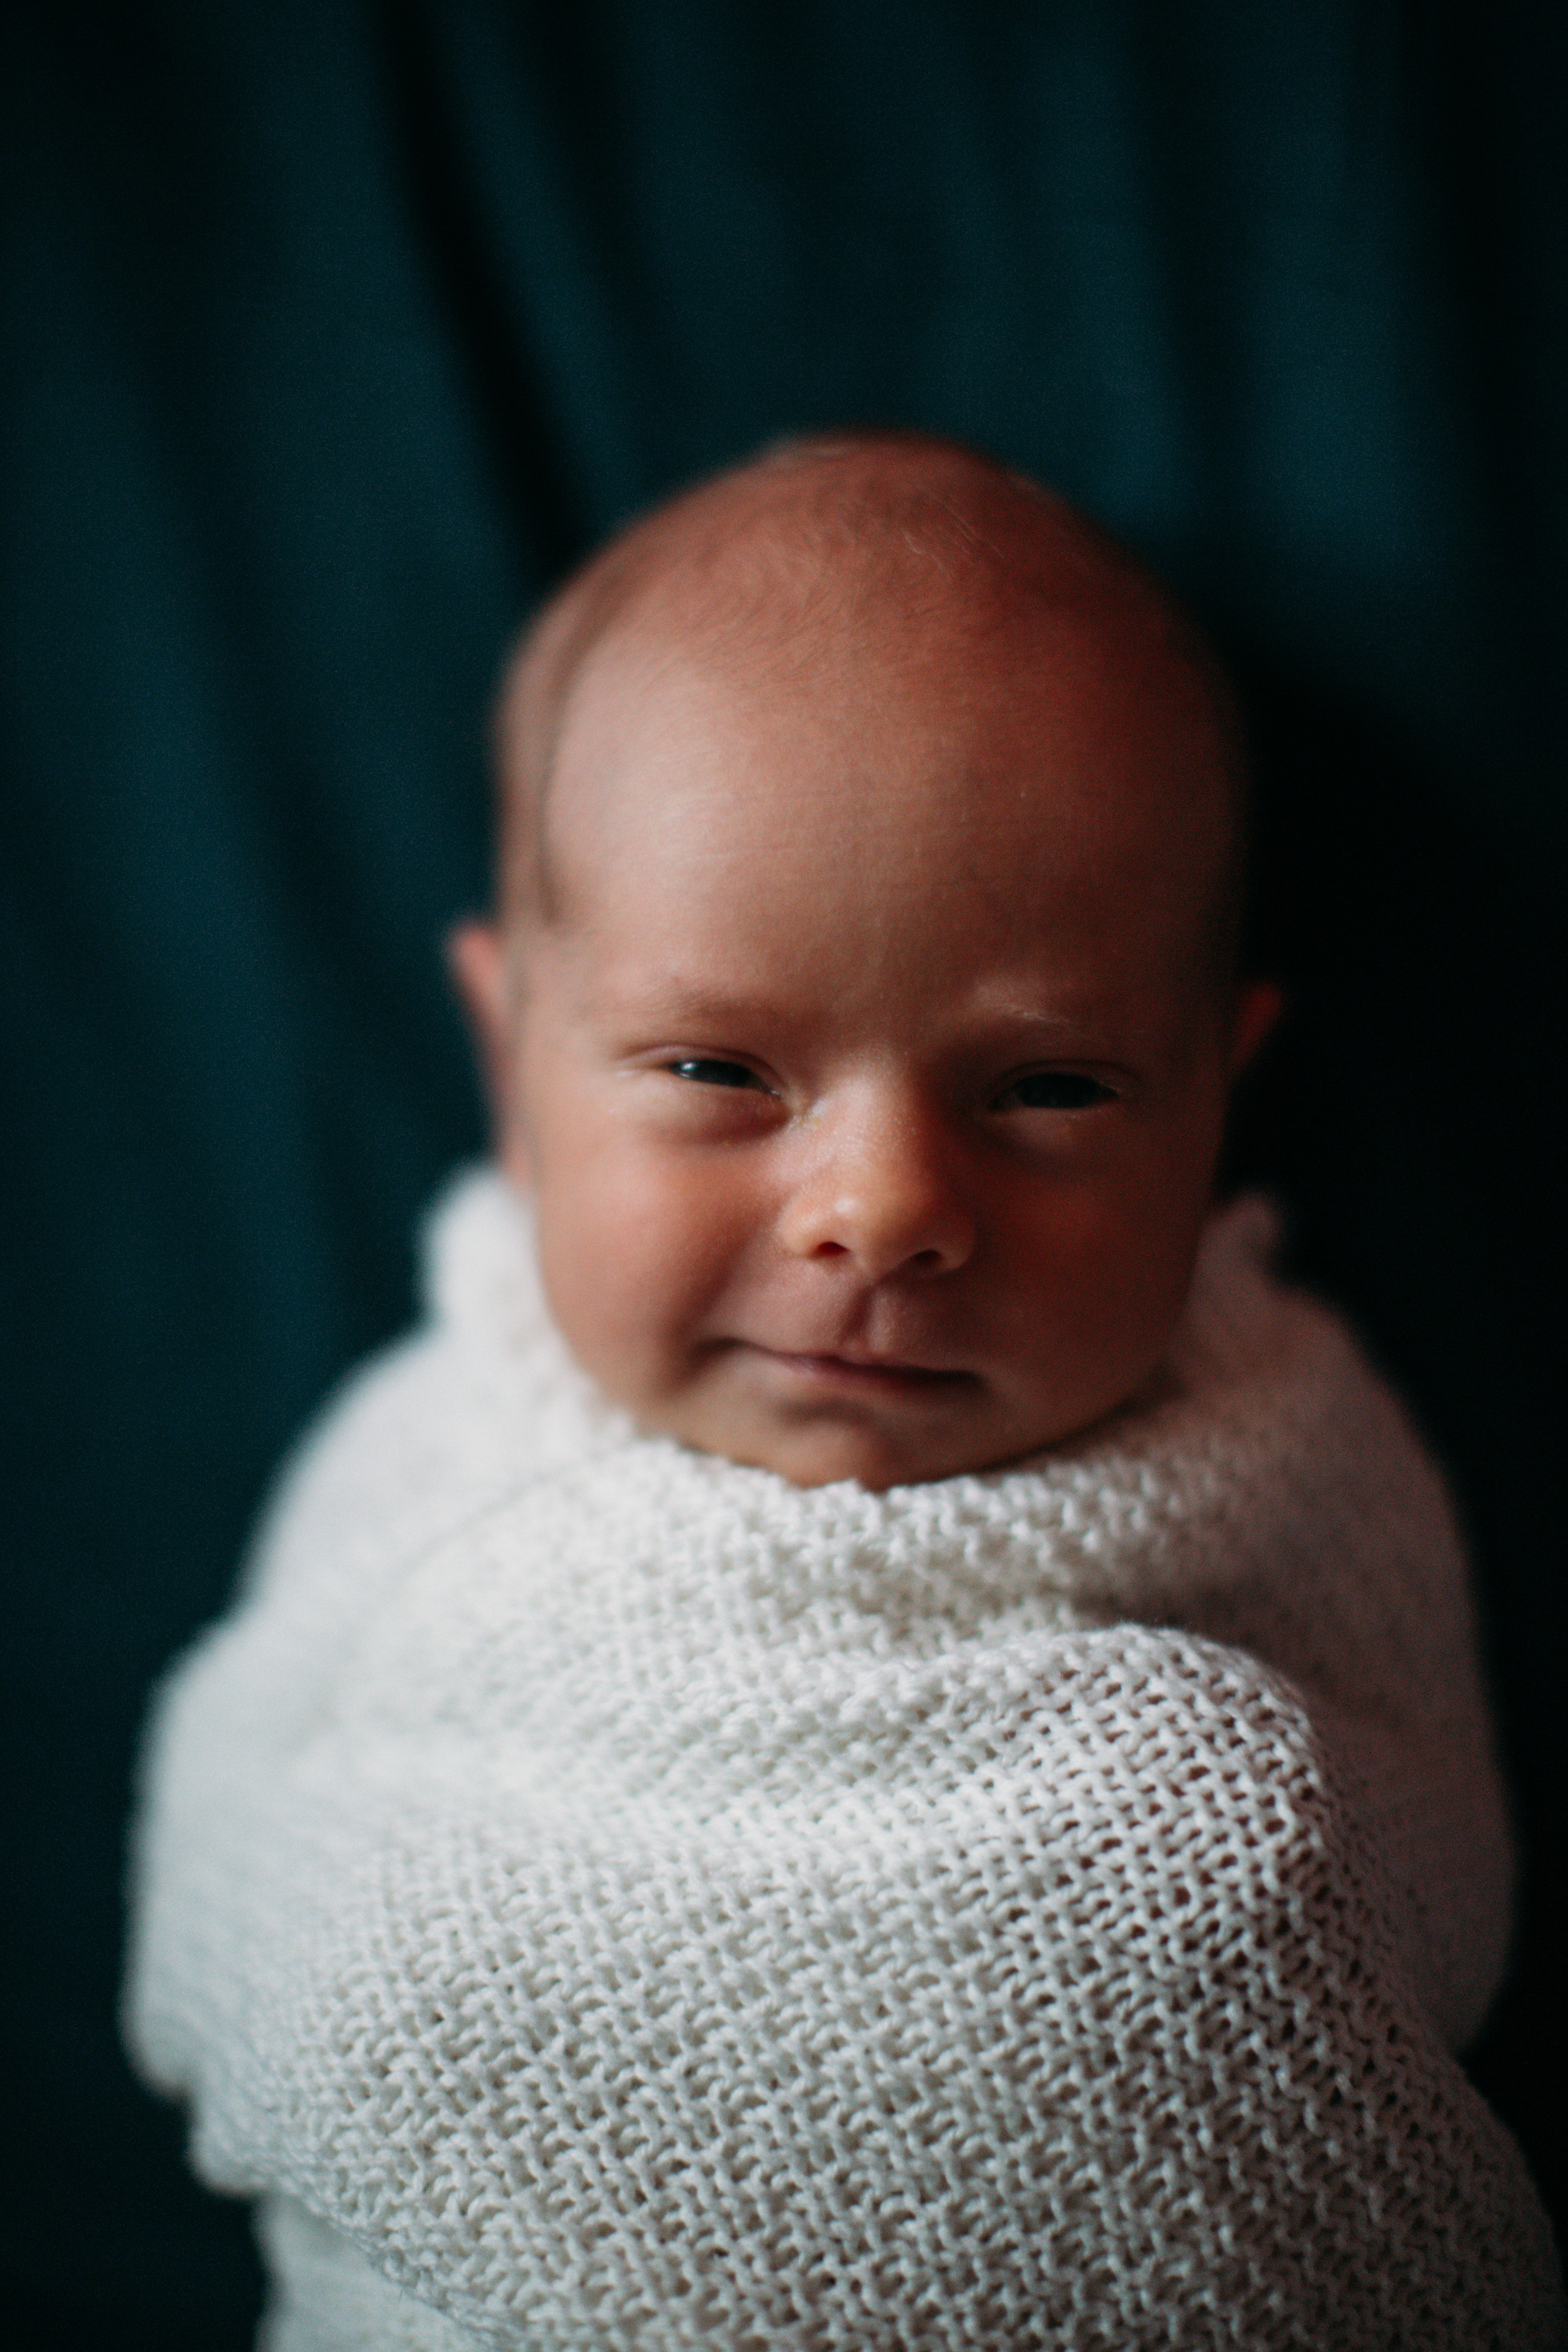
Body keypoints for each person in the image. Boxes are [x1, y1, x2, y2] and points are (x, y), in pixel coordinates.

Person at [125, 433, 1565, 2350]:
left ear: (1219, 1095)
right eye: (721, 1072)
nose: (883, 1212)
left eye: (1047, 1089)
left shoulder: (1295, 1457)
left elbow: (1374, 1896)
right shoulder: (434, 1441)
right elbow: (280, 1881)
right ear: (512, 1060)